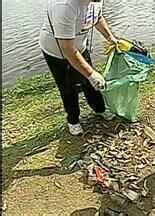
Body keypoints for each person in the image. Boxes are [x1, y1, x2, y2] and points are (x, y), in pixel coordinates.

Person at [39, 0, 118, 135]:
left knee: (90, 84)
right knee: (68, 87)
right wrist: (91, 73)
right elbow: (67, 49)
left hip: (79, 46)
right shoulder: (64, 7)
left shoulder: (96, 1)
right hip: (56, 51)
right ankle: (73, 120)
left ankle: (100, 109)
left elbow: (97, 18)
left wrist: (110, 38)